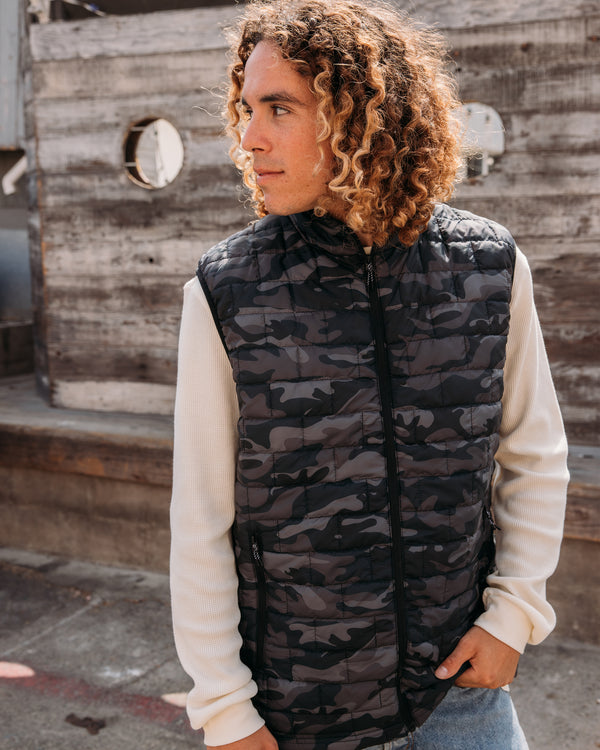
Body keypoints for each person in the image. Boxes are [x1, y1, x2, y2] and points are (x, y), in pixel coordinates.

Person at [169, 1, 569, 748]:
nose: (249, 138)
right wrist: (224, 710)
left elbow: (535, 453)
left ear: (361, 117)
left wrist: (513, 615)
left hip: (460, 701)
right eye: (247, 110)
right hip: (300, 717)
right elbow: (200, 522)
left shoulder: (489, 267)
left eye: (280, 108)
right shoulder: (226, 291)